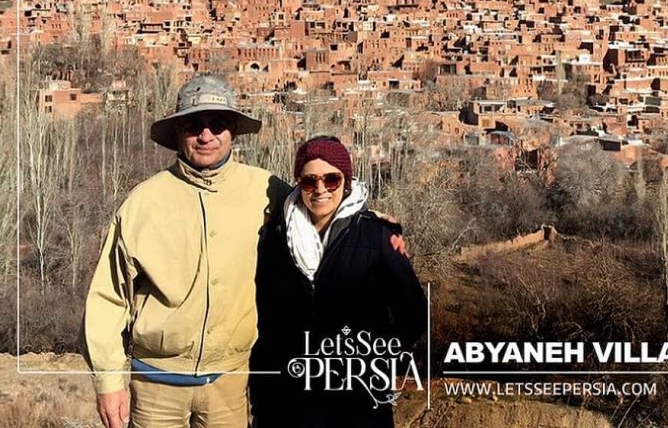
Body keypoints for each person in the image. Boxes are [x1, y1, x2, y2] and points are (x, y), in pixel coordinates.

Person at [84, 74, 290, 428]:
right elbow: (109, 298)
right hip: (155, 388)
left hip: (230, 384)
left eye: (218, 124)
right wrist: (108, 382)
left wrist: (377, 226)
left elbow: (323, 213)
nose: (206, 135)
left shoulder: (267, 190)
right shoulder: (143, 203)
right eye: (194, 125)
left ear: (233, 132)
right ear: (179, 133)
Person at [249, 136, 427, 428]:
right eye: (310, 181)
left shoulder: (378, 237)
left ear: (346, 181)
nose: (320, 189)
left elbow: (413, 315)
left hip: (357, 403)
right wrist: (262, 399)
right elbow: (266, 325)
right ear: (299, 183)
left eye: (331, 179)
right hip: (288, 404)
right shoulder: (275, 240)